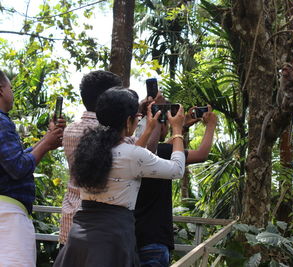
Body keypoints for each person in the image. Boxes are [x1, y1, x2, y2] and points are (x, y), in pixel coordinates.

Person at [54, 87, 186, 267]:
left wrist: (149, 129)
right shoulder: (131, 155)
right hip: (112, 238)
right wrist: (177, 130)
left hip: (80, 236)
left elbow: (129, 156)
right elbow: (177, 169)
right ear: (128, 121)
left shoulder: (88, 148)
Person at [135, 104, 217, 267]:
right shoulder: (163, 153)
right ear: (161, 124)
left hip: (130, 239)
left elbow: (166, 145)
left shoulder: (131, 154)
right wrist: (211, 125)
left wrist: (183, 125)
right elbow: (202, 154)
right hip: (155, 240)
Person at [0, 70, 65, 266]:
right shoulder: (1, 122)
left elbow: (12, 159)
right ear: (1, 91)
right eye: (11, 88)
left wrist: (48, 139)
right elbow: (18, 167)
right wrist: (46, 143)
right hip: (8, 216)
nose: (12, 92)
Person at [59, 70, 124, 246]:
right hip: (100, 229)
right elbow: (144, 153)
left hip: (70, 222)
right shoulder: (112, 134)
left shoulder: (69, 131)